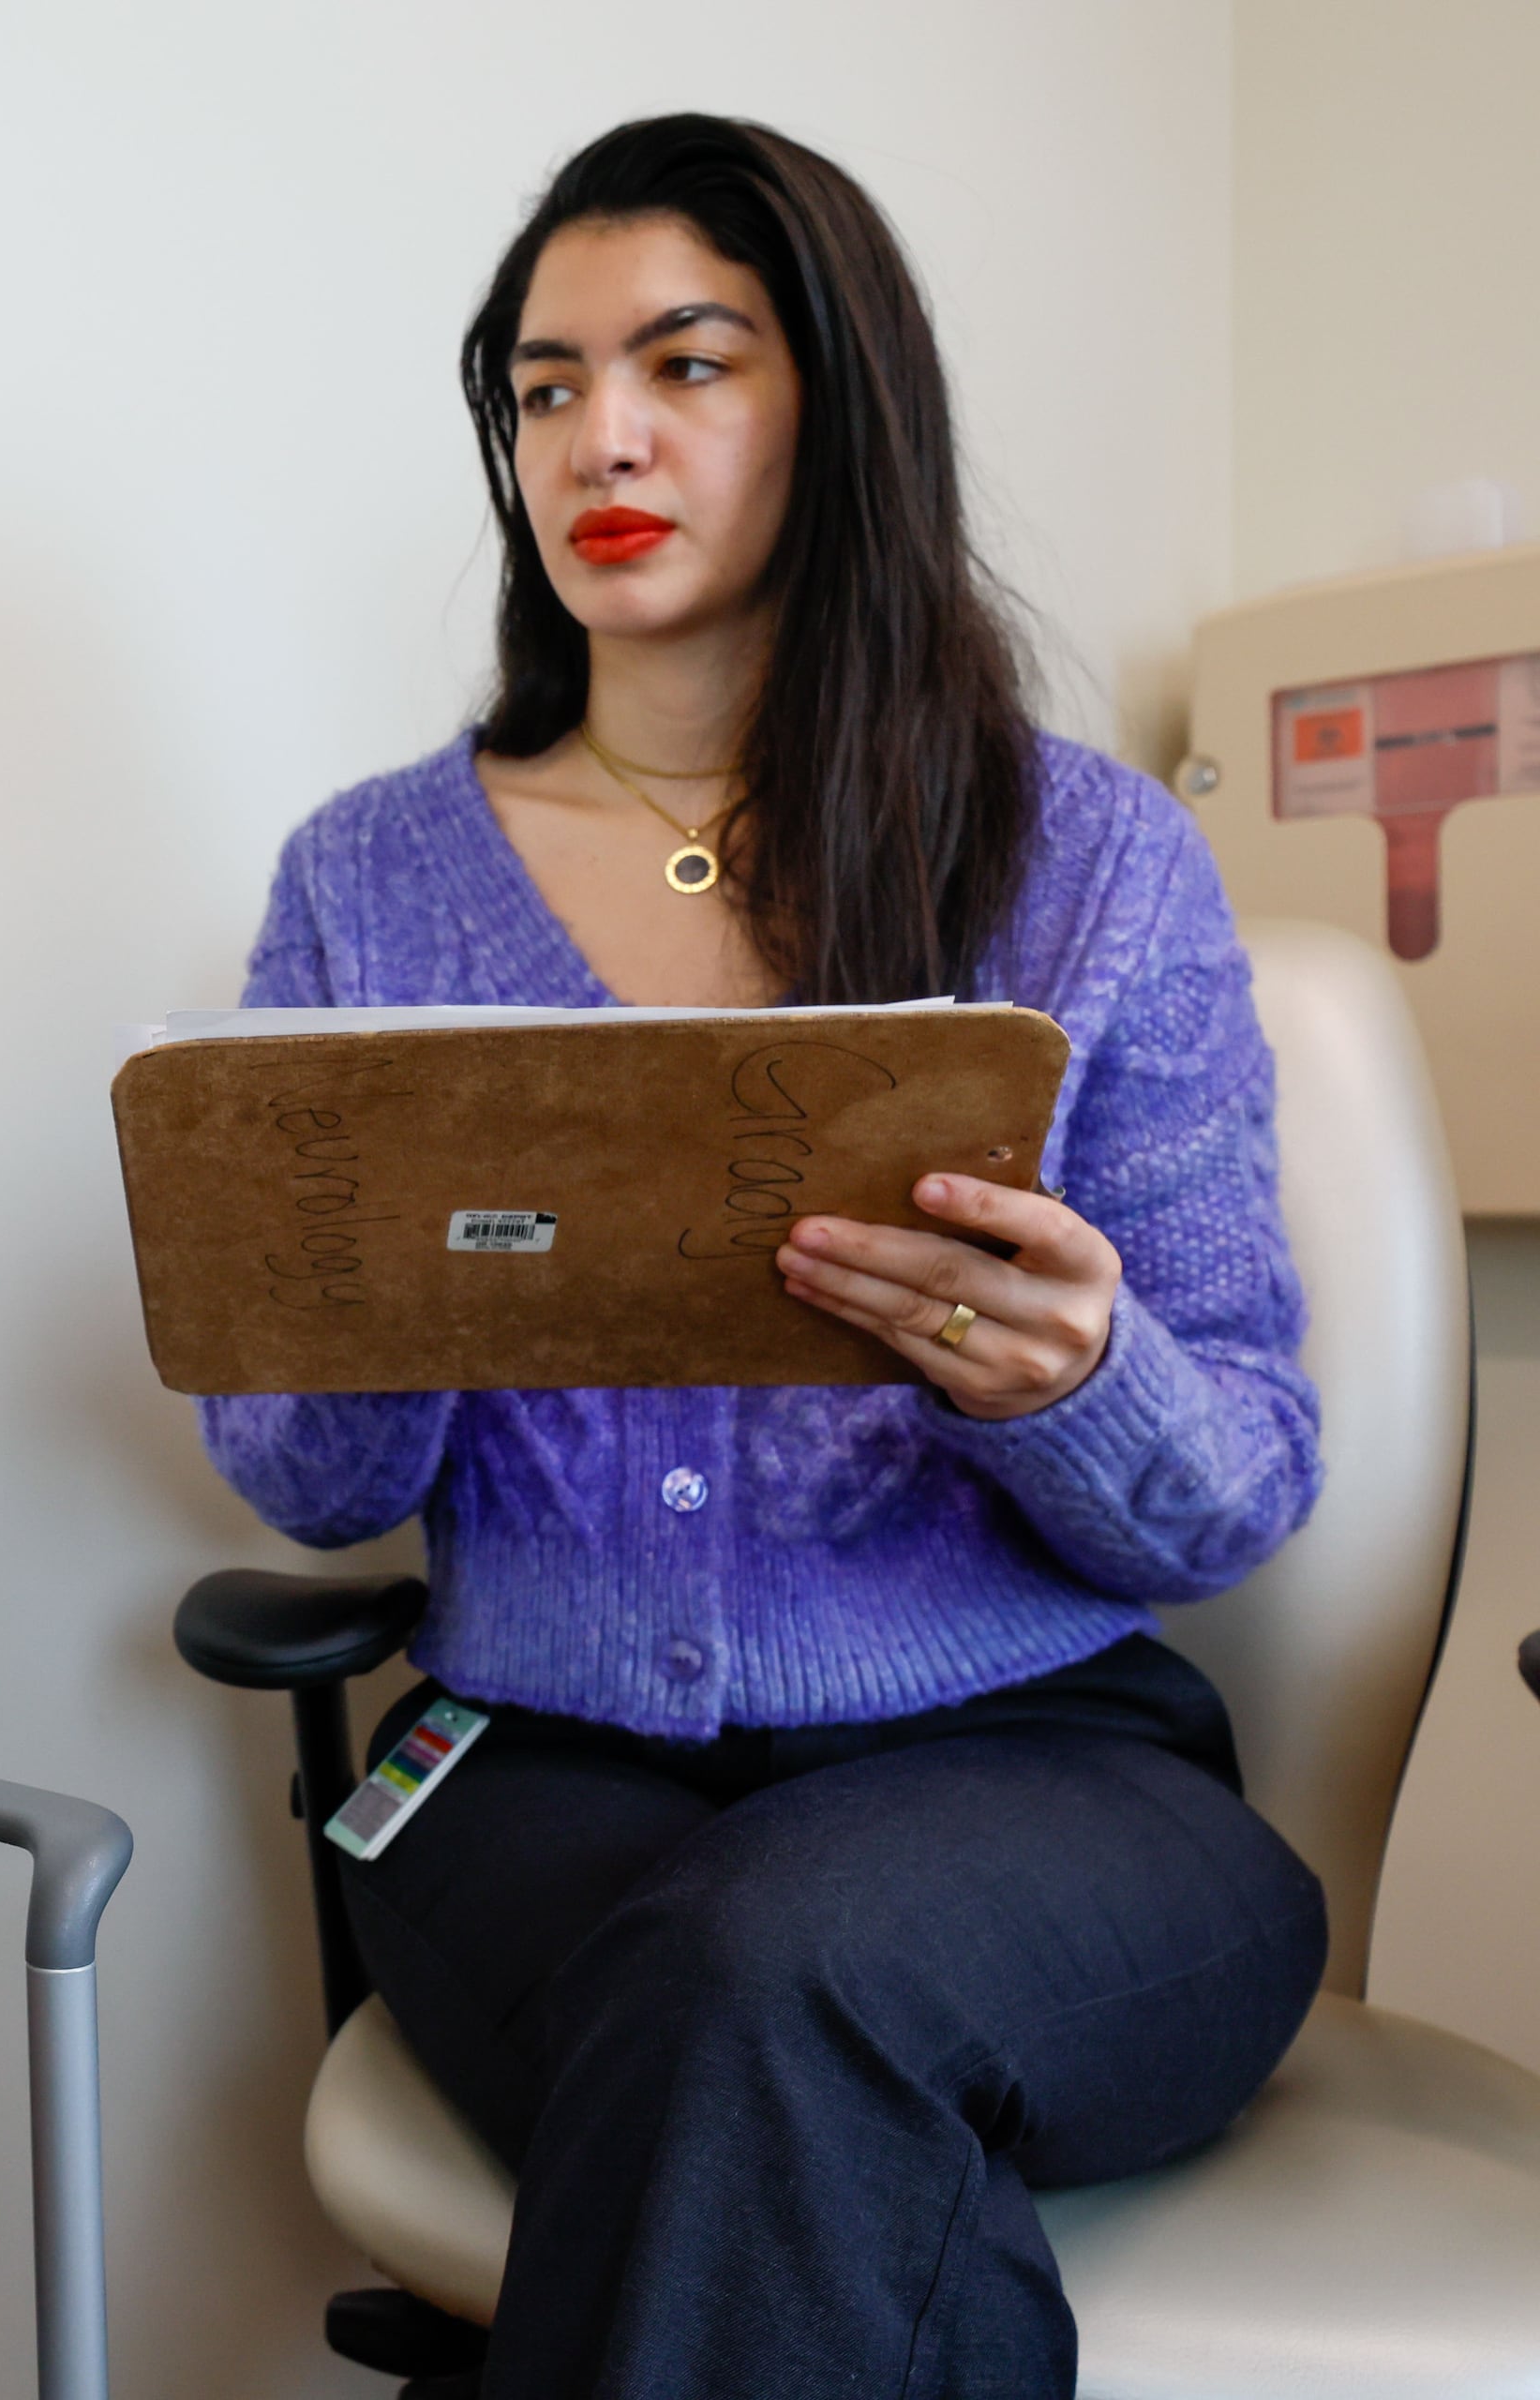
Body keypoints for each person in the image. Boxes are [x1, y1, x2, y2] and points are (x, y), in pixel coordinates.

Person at [202, 117, 1326, 2399]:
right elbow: (306, 1484)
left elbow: (1244, 1487)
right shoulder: (368, 887)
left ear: (838, 399)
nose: (595, 436)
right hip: (531, 1770)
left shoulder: (1088, 862)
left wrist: (1076, 1377)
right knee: (771, 2031)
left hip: (1050, 1778)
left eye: (682, 363)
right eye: (539, 387)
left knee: (770, 1994)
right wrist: (400, 1282)